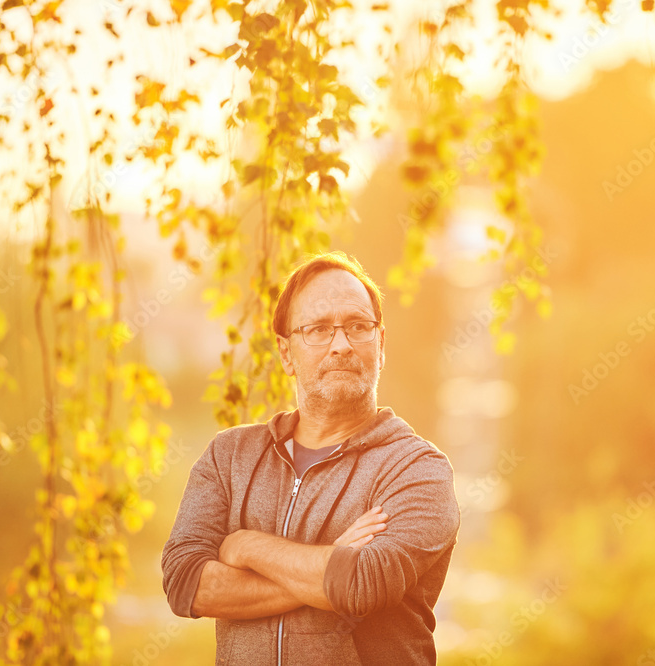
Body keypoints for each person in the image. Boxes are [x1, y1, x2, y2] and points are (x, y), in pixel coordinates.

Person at [161, 251, 461, 665]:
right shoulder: (229, 457)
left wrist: (246, 546)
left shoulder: (416, 469)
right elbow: (184, 583)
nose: (341, 345)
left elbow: (361, 584)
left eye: (358, 326)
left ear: (381, 342)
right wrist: (330, 565)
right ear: (286, 353)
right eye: (319, 329)